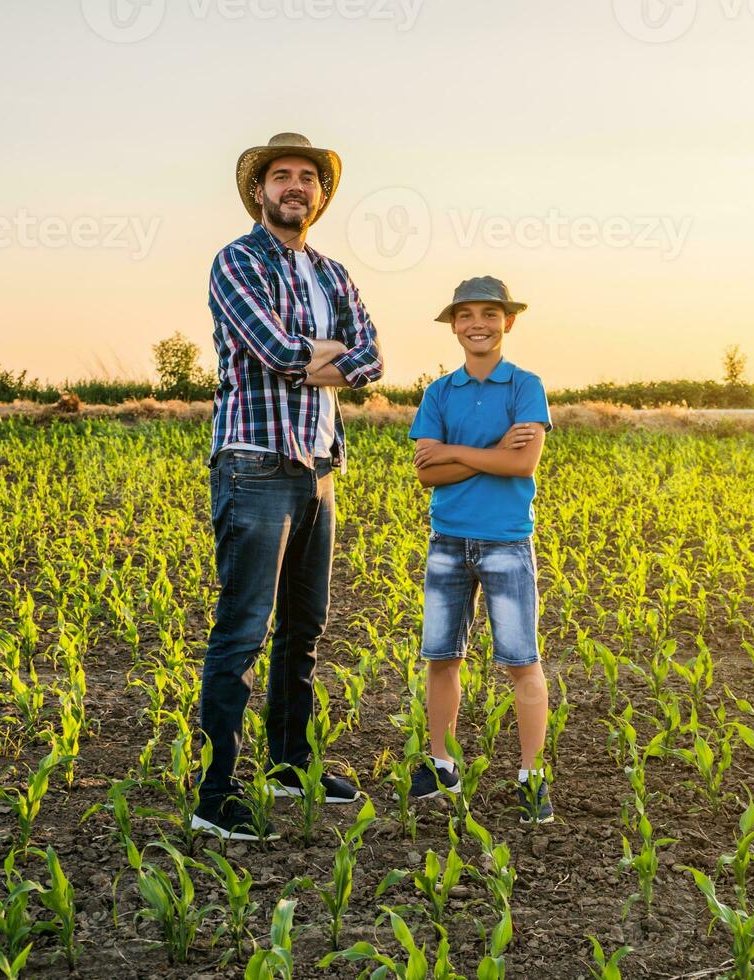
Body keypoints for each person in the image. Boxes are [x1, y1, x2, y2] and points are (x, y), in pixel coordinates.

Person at [194, 133, 384, 841]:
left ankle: (288, 764)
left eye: (308, 177)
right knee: (243, 631)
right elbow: (273, 352)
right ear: (260, 192)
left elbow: (373, 359)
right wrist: (326, 353)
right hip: (255, 462)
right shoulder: (237, 261)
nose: (295, 186)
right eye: (282, 177)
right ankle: (215, 794)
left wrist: (320, 359)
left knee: (303, 630)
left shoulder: (334, 273)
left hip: (318, 466)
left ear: (321, 195)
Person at [407, 276, 555, 824]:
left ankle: (531, 776)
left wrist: (455, 454)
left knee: (521, 661)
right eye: (465, 314)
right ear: (453, 324)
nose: (477, 324)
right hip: (447, 539)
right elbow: (426, 473)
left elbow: (523, 465)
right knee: (441, 658)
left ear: (507, 322)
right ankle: (442, 764)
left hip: (506, 542)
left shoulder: (525, 386)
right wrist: (490, 449)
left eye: (489, 314)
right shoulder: (438, 392)